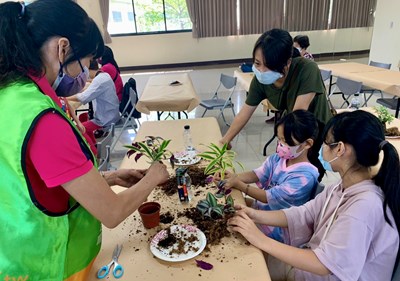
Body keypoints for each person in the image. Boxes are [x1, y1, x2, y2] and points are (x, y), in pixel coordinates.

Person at [0, 1, 169, 280]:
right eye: (88, 63)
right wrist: (152, 178)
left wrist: (110, 178)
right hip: (50, 263)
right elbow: (112, 213)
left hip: (15, 255)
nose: (86, 74)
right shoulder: (42, 119)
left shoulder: (11, 97)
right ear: (62, 48)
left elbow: (35, 182)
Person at [229, 110, 400, 281]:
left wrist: (260, 240)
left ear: (340, 149)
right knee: (246, 258)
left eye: (326, 143)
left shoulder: (364, 206)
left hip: (322, 272)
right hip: (314, 266)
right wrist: (255, 215)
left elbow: (324, 264)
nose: (322, 148)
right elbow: (304, 213)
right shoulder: (340, 188)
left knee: (249, 265)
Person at [217, 110, 321, 242]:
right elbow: (257, 174)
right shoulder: (279, 158)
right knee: (225, 207)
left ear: (307, 144)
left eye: (287, 141)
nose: (281, 144)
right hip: (262, 211)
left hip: (279, 229)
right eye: (280, 139)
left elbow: (268, 197)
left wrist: (239, 184)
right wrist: (232, 177)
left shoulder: (305, 177)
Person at [220, 29, 332, 148]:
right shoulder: (260, 81)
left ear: (287, 63)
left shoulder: (307, 69)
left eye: (270, 66)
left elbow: (297, 117)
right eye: (257, 63)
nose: (262, 71)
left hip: (320, 136)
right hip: (293, 135)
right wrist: (225, 140)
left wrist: (284, 153)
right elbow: (245, 112)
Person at [68, 59, 120, 154]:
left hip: (106, 118)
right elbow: (93, 85)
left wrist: (66, 98)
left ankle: (94, 152)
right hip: (112, 113)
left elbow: (84, 97)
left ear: (88, 69)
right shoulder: (104, 75)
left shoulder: (99, 80)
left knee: (77, 128)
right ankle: (94, 143)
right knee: (83, 117)